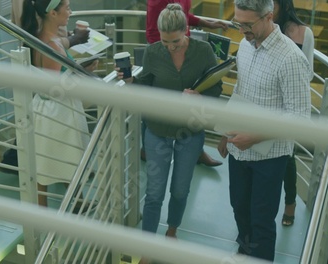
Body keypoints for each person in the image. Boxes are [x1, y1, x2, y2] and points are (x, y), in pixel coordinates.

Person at [118, 4, 222, 264]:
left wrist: (200, 96)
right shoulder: (154, 53)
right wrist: (131, 82)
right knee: (154, 193)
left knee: (179, 190)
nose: (170, 47)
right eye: (165, 42)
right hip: (157, 131)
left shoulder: (204, 51)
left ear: (186, 31)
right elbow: (146, 86)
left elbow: (217, 88)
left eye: (175, 42)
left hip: (190, 132)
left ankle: (172, 231)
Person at [217, 0, 311, 261]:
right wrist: (227, 132)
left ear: (269, 17)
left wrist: (254, 136)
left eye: (247, 24)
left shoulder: (291, 58)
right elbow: (240, 90)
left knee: (261, 221)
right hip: (240, 148)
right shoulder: (245, 46)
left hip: (270, 157)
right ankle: (245, 252)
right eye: (238, 23)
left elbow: (300, 117)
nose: (241, 30)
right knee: (239, 210)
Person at [20, 0, 91, 206]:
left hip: (47, 110)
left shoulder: (45, 37)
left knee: (49, 162)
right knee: (49, 167)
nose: (70, 12)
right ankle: (43, 216)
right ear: (52, 13)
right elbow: (56, 89)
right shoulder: (51, 45)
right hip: (57, 113)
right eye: (67, 8)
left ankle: (77, 202)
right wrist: (85, 72)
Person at [142, 0, 228, 167]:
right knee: (158, 106)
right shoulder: (157, 3)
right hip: (161, 52)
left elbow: (183, 15)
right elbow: (154, 33)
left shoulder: (201, 49)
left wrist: (206, 23)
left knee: (193, 96)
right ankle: (148, 148)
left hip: (181, 42)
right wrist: (169, 50)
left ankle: (195, 150)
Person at [273, 0, 314, 227]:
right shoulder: (263, 27)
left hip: (288, 102)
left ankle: (290, 202)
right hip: (266, 100)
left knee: (287, 155)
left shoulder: (303, 33)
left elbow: (308, 71)